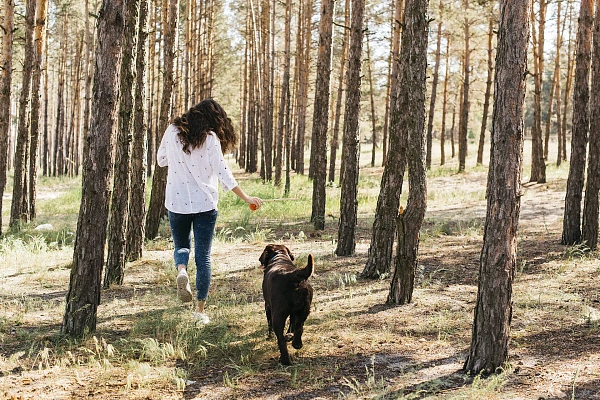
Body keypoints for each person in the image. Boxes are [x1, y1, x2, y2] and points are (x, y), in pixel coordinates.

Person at [157, 99, 262, 324]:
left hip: (176, 202)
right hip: (205, 204)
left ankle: (182, 271)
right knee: (203, 257)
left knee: (181, 245)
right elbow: (224, 174)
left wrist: (179, 158)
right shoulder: (211, 138)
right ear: (214, 119)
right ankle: (199, 311)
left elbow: (160, 160)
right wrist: (246, 198)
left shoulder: (172, 130)